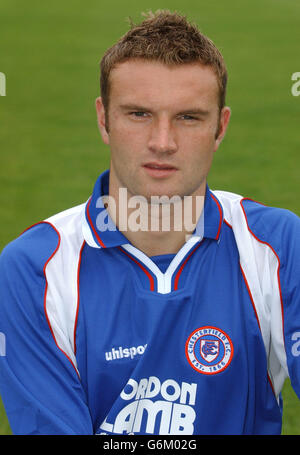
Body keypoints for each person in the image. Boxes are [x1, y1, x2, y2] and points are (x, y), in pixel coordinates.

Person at [0, 10, 299, 436]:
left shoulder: (279, 246)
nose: (163, 142)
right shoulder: (33, 269)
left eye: (188, 117)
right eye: (139, 114)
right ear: (104, 119)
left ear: (220, 127)